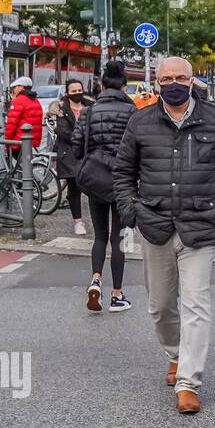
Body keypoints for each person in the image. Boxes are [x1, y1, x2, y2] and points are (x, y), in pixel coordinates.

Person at [113, 55, 215, 416]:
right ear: (157, 83)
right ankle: (175, 355)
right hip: (154, 224)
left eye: (181, 77)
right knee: (160, 306)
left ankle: (188, 382)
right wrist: (131, 211)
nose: (174, 83)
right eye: (167, 78)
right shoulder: (141, 120)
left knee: (196, 304)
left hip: (200, 223)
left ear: (193, 81)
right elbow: (122, 171)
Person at [72, 61, 136, 313]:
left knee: (99, 236)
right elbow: (139, 149)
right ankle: (117, 295)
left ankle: (95, 280)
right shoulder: (132, 112)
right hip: (123, 182)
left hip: (96, 180)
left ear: (100, 84)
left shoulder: (88, 112)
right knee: (119, 236)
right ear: (124, 85)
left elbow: (77, 147)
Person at [52, 79, 90, 236]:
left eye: (79, 90)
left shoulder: (90, 106)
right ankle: (78, 222)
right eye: (73, 91)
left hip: (89, 152)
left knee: (91, 186)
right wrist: (83, 137)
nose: (77, 93)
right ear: (67, 93)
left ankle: (96, 219)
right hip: (69, 153)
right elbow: (63, 131)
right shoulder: (61, 108)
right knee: (74, 189)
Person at [4, 76, 44, 159]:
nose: (13, 90)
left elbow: (11, 125)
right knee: (28, 167)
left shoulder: (19, 101)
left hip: (20, 143)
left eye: (14, 87)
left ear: (21, 87)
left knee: (21, 168)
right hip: (33, 142)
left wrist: (6, 142)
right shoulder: (35, 101)